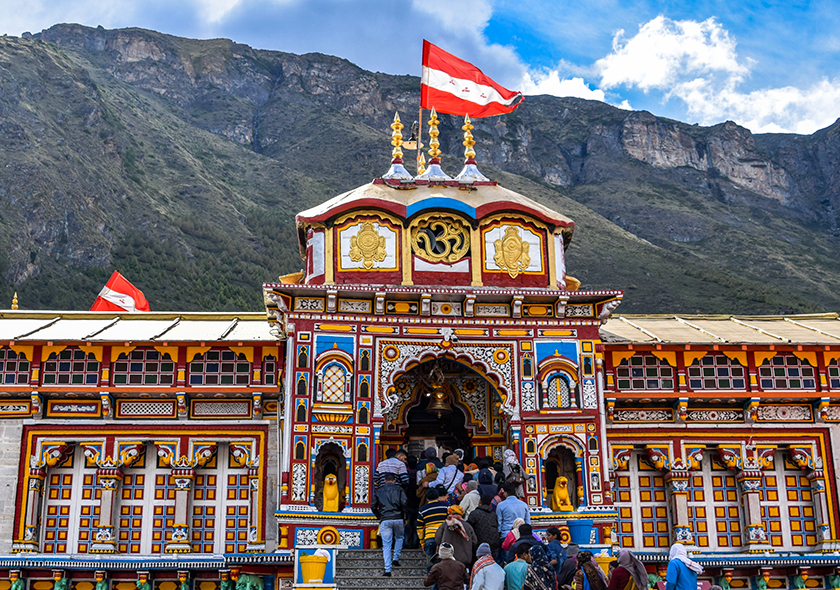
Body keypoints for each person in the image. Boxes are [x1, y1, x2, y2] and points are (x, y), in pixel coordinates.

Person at [372, 472, 407, 577]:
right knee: (400, 537)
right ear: (394, 481)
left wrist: (380, 516)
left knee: (386, 545)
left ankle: (388, 569)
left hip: (385, 519)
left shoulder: (379, 492)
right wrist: (405, 517)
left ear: (385, 481)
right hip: (398, 518)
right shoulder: (400, 490)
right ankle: (396, 558)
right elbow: (404, 503)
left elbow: (373, 506)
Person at [434, 505, 478, 569]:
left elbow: (438, 539)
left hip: (448, 558)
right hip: (464, 560)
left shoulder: (445, 525)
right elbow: (474, 541)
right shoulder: (467, 526)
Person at [418, 487, 449, 572]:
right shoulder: (446, 507)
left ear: (427, 498)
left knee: (430, 564)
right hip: (444, 537)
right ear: (438, 496)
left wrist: (422, 542)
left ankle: (432, 584)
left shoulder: (423, 510)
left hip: (430, 538)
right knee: (444, 564)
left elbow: (419, 528)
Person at [469, 494, 501, 563]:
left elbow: (469, 528)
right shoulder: (493, 515)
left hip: (478, 544)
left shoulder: (474, 514)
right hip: (493, 545)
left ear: (480, 502)